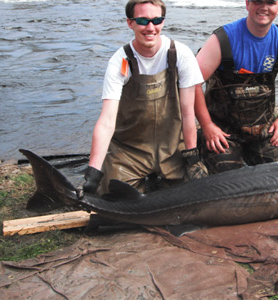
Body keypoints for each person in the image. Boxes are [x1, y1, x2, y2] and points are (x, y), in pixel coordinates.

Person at [82, 0, 207, 195]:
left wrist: (191, 157)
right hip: (130, 151)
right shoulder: (120, 61)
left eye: (156, 20)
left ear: (163, 22)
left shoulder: (180, 54)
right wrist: (93, 172)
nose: (150, 28)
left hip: (172, 147)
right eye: (142, 20)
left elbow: (188, 113)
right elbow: (107, 121)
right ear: (130, 23)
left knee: (189, 197)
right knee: (115, 197)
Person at [194, 0, 278, 174]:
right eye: (258, 1)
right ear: (247, 4)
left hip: (263, 130)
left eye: (271, 2)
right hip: (222, 130)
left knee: (277, 174)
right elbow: (193, 83)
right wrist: (207, 126)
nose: (264, 7)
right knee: (226, 177)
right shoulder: (223, 39)